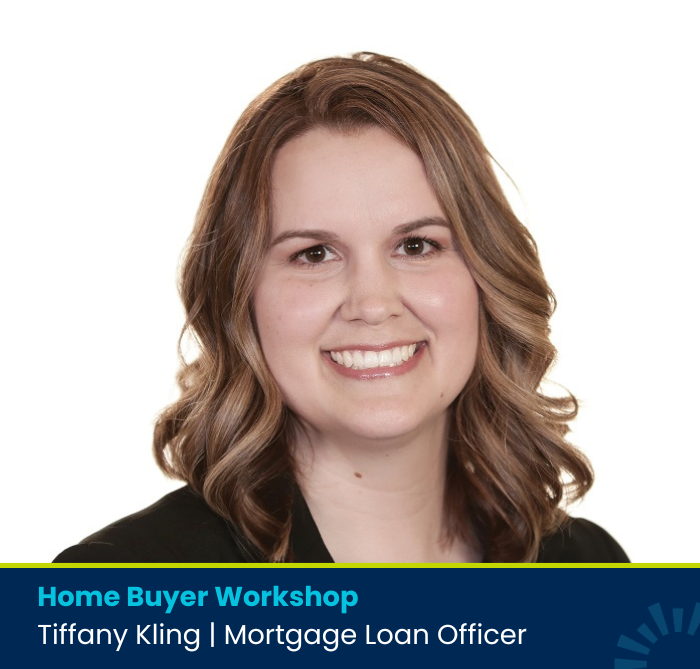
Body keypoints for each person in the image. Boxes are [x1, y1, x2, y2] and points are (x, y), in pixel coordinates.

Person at [54, 53, 628, 563]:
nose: (372, 304)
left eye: (416, 245)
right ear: (239, 295)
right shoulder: (125, 589)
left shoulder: (590, 569)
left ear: (486, 275)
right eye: (314, 253)